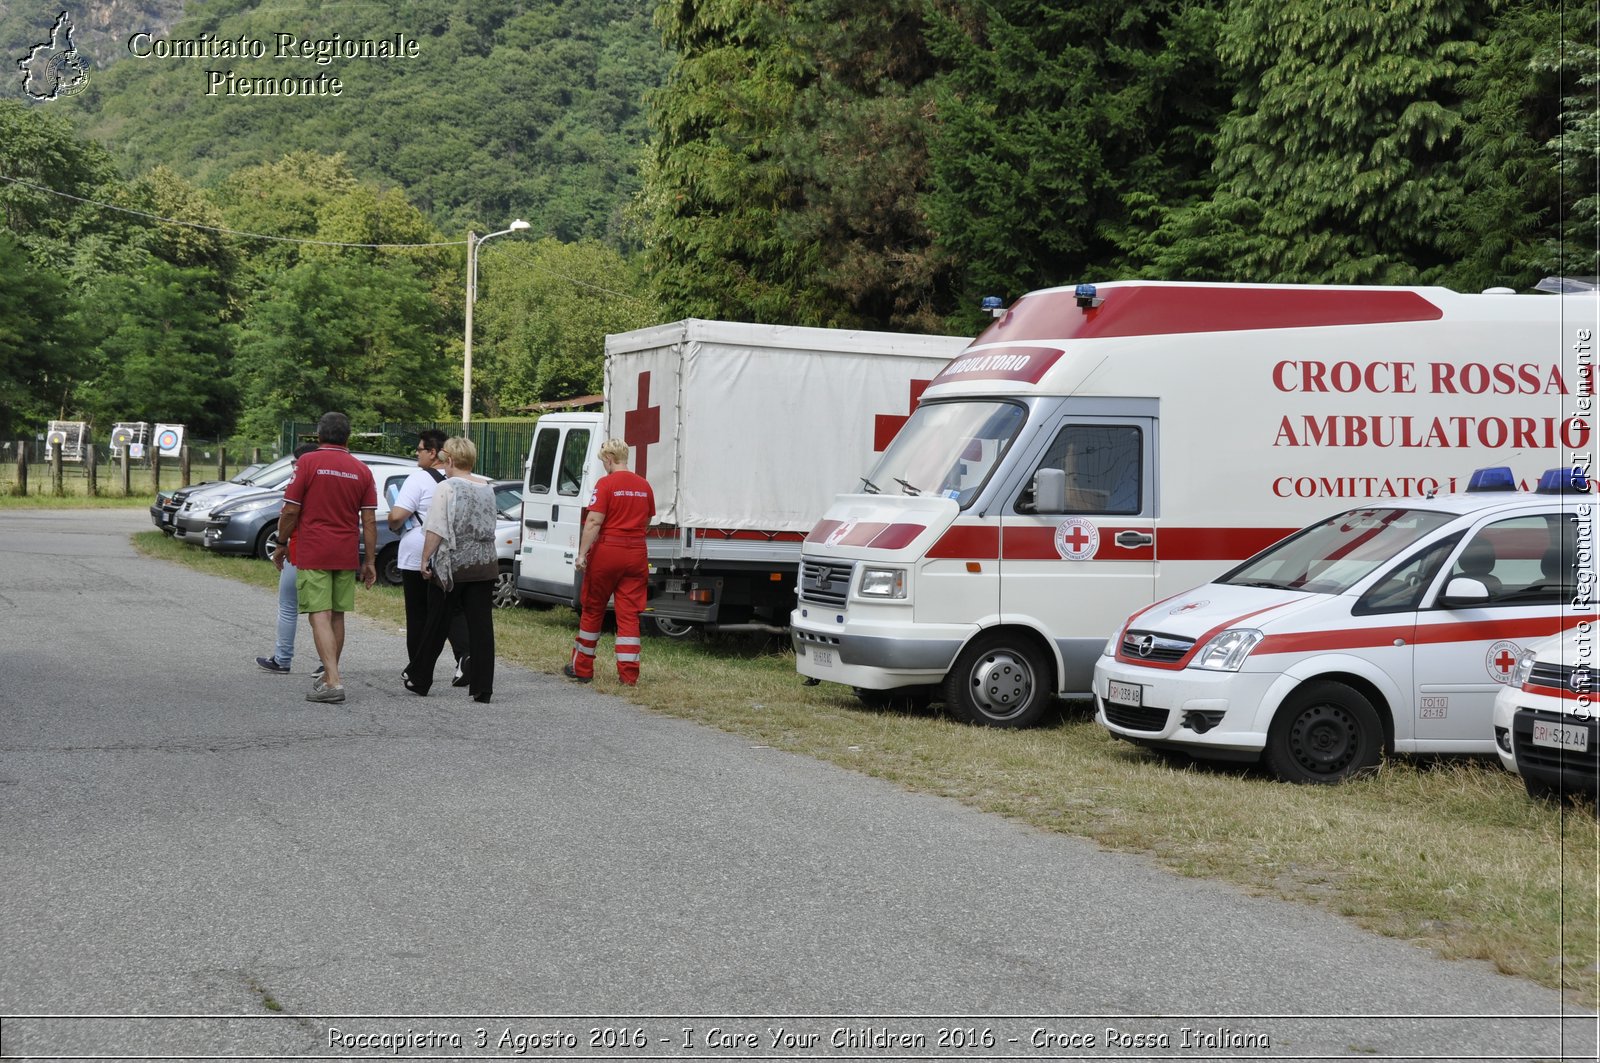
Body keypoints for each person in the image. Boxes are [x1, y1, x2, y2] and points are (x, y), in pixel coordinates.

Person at [273, 412, 378, 704]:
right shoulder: (361, 470)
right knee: (337, 613)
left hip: (313, 547)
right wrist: (370, 560)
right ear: (348, 436)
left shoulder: (307, 462)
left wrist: (281, 542)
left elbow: (291, 509)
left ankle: (333, 681)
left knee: (318, 613)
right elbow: (368, 520)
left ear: (319, 436)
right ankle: (328, 674)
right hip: (345, 551)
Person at [405, 436, 498, 702]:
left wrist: (425, 559)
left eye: (446, 460)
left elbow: (436, 527)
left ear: (453, 460)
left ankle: (419, 678)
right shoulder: (487, 488)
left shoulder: (447, 487)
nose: (444, 465)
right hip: (485, 564)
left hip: (454, 566)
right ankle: (483, 687)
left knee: (437, 622)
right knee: (481, 627)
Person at [564, 438, 655, 685]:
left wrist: (582, 554)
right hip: (636, 552)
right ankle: (628, 675)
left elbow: (594, 522)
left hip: (608, 550)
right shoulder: (644, 485)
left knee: (593, 608)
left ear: (608, 459)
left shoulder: (606, 484)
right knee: (629, 614)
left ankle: (582, 668)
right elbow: (646, 521)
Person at [387, 429, 469, 684]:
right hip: (454, 553)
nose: (416, 453)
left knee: (419, 613)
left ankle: (417, 668)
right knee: (453, 609)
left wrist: (392, 522)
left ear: (433, 453)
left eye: (420, 449)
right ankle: (465, 657)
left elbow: (398, 516)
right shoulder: (463, 479)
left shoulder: (419, 479)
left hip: (419, 553)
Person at [257, 444, 323, 676]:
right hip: (330, 552)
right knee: (327, 611)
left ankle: (283, 658)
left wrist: (281, 543)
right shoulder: (328, 482)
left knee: (288, 606)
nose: (293, 466)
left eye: (295, 462)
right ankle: (328, 661)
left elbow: (289, 513)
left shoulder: (299, 482)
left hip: (300, 550)